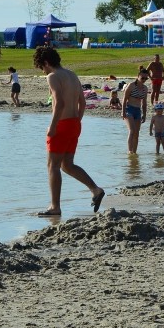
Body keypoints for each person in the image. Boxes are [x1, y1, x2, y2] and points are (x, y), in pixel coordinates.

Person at [33, 46, 105, 217]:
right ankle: (95, 190)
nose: (43, 71)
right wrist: (76, 122)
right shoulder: (72, 75)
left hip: (62, 124)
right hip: (74, 124)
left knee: (53, 166)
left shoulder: (53, 76)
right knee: (67, 164)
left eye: (41, 67)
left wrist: (53, 125)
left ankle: (55, 207)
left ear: (46, 63)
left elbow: (59, 103)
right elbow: (82, 102)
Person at [122, 69, 149, 154]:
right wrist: (123, 111)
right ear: (138, 76)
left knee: (137, 133)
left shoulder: (145, 88)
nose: (144, 80)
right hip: (129, 109)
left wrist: (144, 115)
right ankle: (130, 151)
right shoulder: (131, 85)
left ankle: (134, 152)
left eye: (146, 78)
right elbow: (124, 99)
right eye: (142, 78)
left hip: (137, 110)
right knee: (132, 131)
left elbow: (144, 103)